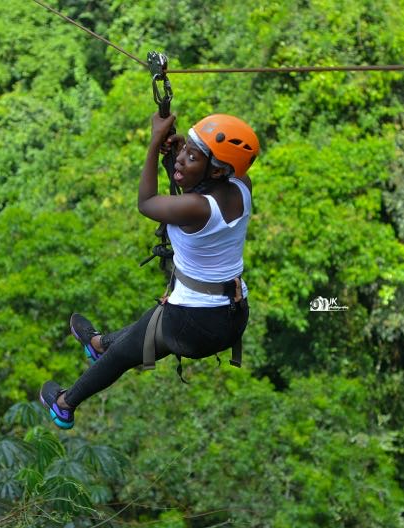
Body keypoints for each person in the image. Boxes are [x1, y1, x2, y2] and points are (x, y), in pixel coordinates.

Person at [39, 111, 260, 429]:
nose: (182, 159)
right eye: (185, 151)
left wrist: (155, 139)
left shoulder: (197, 208)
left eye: (192, 156)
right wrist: (180, 153)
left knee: (126, 354)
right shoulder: (241, 186)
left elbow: (147, 203)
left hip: (195, 323)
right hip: (232, 312)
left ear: (219, 169)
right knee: (149, 324)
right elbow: (199, 186)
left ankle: (64, 404)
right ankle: (99, 343)